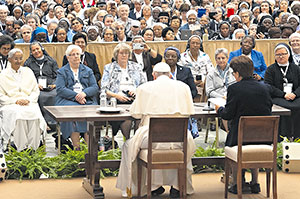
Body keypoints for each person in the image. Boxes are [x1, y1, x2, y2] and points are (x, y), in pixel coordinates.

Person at [116, 62, 196, 198]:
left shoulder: (144, 88)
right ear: (170, 75)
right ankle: (177, 187)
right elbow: (190, 112)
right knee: (176, 146)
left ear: (154, 75)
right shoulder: (184, 87)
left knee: (128, 146)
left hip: (150, 137)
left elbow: (135, 113)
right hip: (179, 137)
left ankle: (150, 187)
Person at [216, 55, 273, 194]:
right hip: (262, 138)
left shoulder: (235, 89)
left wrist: (219, 110)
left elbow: (228, 114)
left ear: (236, 73)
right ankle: (255, 183)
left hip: (239, 138)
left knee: (235, 140)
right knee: (252, 140)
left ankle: (236, 183)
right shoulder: (265, 88)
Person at [0, 48, 47, 151]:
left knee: (35, 116)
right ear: (9, 59)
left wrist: (29, 100)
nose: (18, 61)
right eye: (15, 58)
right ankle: (21, 149)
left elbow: (35, 90)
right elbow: (1, 95)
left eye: (20, 58)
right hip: (11, 104)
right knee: (19, 117)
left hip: (28, 102)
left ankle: (33, 148)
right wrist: (15, 101)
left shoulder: (28, 71)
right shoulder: (3, 74)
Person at [55, 45, 98, 150]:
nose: (75, 56)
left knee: (90, 115)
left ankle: (90, 149)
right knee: (73, 114)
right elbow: (60, 89)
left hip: (86, 99)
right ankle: (76, 149)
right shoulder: (62, 71)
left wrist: (84, 94)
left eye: (77, 54)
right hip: (67, 100)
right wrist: (76, 96)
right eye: (72, 54)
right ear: (68, 57)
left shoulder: (88, 70)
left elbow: (94, 87)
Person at [101, 43, 146, 138]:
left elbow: (144, 85)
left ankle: (136, 140)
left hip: (135, 99)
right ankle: (128, 140)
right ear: (116, 55)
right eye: (121, 53)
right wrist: (117, 96)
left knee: (140, 117)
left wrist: (137, 91)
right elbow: (104, 89)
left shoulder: (136, 66)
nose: (124, 55)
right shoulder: (109, 67)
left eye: (126, 53)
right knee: (127, 118)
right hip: (117, 99)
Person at [264, 43, 300, 139]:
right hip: (278, 97)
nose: (281, 56)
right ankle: (282, 136)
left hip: (295, 96)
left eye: (283, 54)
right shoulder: (270, 70)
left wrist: (295, 94)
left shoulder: (296, 68)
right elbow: (268, 86)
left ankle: (297, 135)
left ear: (288, 55)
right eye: (278, 54)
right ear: (275, 56)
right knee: (283, 108)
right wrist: (283, 94)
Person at [24, 42, 59, 127]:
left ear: (42, 49)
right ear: (31, 52)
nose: (36, 51)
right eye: (33, 50)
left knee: (55, 95)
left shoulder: (51, 61)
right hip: (35, 87)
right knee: (39, 96)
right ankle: (43, 123)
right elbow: (26, 78)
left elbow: (57, 75)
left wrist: (54, 84)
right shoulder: (28, 63)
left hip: (51, 87)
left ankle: (53, 122)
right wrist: (35, 84)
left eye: (37, 49)